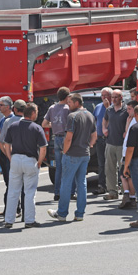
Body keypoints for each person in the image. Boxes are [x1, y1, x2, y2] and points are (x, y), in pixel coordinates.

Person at [47, 93, 95, 222]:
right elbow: (94, 135)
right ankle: (80, 213)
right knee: (82, 184)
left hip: (72, 154)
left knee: (66, 183)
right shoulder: (90, 115)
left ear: (77, 103)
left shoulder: (72, 116)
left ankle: (62, 213)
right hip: (85, 154)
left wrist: (64, 151)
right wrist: (89, 145)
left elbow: (68, 138)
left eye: (70, 102)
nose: (68, 105)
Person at [2, 102, 47, 229]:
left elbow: (6, 144)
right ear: (32, 113)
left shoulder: (13, 125)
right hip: (30, 160)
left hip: (15, 159)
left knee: (13, 191)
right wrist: (39, 162)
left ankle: (9, 220)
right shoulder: (37, 128)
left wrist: (10, 157)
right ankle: (29, 220)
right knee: (29, 192)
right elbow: (43, 148)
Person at [42, 87, 70, 201]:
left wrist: (54, 125)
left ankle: (57, 192)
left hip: (56, 138)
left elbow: (44, 123)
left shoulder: (52, 107)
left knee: (58, 167)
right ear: (67, 97)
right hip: (66, 137)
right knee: (68, 166)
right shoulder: (68, 109)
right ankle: (68, 191)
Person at [0, 98, 25, 217]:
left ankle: (11, 211)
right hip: (26, 157)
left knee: (11, 185)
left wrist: (7, 155)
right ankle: (25, 213)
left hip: (11, 157)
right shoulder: (30, 122)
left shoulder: (8, 122)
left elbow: (1, 141)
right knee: (25, 187)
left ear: (14, 108)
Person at [102, 91, 129, 200]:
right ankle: (112, 192)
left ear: (121, 97)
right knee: (109, 168)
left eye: (116, 97)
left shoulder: (126, 110)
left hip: (122, 144)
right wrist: (104, 128)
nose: (113, 99)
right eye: (112, 97)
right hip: (110, 142)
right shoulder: (109, 109)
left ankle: (125, 191)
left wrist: (126, 131)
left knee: (123, 168)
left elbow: (131, 120)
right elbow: (105, 119)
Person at [92, 87, 112, 193]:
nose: (104, 97)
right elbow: (94, 121)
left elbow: (113, 120)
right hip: (100, 139)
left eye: (106, 95)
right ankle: (102, 185)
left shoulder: (113, 107)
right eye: (102, 95)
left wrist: (108, 107)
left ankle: (113, 186)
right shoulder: (98, 107)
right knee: (101, 163)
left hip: (111, 140)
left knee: (112, 164)